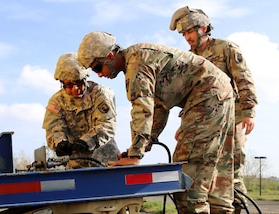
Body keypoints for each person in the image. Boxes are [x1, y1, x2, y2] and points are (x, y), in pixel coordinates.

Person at [77, 31, 235, 213]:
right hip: (219, 93)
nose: (99, 75)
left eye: (97, 67)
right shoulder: (140, 56)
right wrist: (138, 148)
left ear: (110, 55)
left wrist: (135, 155)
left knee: (188, 172)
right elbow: (158, 108)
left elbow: (142, 110)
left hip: (207, 96)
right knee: (213, 169)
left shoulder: (136, 64)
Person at [170, 6, 258, 213]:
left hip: (231, 121)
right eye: (184, 34)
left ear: (204, 28)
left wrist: (248, 112)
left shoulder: (225, 48)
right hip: (203, 125)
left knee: (231, 175)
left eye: (190, 31)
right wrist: (185, 126)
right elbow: (190, 96)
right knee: (207, 174)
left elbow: (244, 79)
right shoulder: (188, 59)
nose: (187, 37)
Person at [42, 52, 120, 169]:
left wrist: (87, 141)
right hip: (75, 165)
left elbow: (107, 125)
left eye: (78, 82)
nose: (75, 89)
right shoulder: (57, 101)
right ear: (62, 83)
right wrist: (59, 142)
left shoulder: (100, 94)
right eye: (69, 85)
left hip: (106, 161)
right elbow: (54, 127)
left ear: (85, 78)